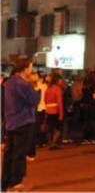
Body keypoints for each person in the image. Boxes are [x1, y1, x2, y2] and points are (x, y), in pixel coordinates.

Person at [2, 58, 41, 192]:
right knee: (19, 153)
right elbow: (35, 100)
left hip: (11, 121)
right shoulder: (22, 84)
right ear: (25, 69)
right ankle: (15, 183)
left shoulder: (9, 83)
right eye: (30, 68)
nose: (31, 70)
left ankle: (5, 182)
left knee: (9, 153)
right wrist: (35, 86)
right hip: (22, 121)